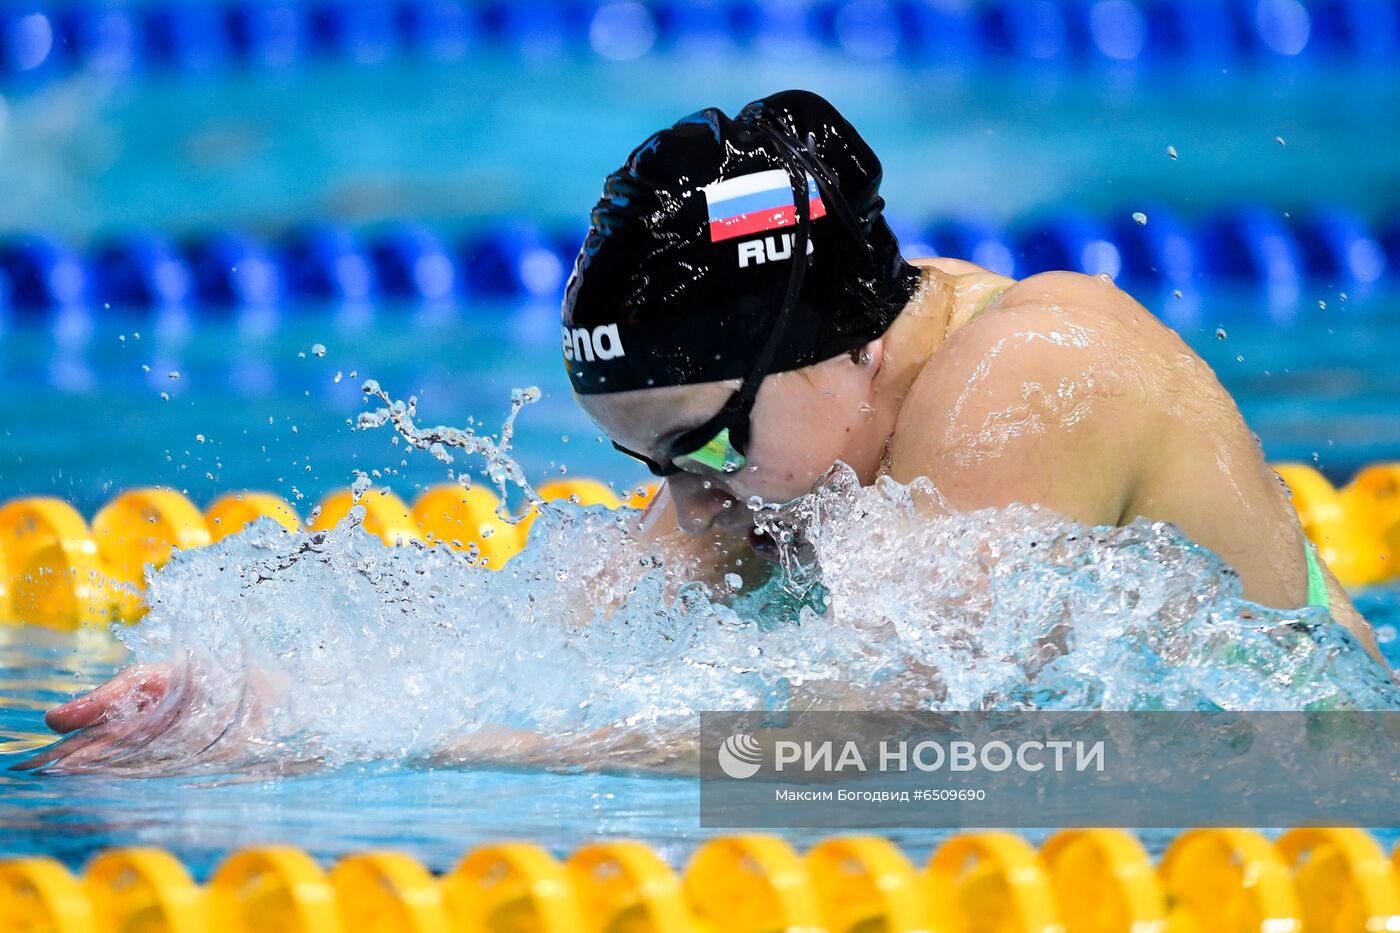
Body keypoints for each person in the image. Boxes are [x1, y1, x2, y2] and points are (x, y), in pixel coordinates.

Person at [30, 89, 1387, 762]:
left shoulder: (1027, 380)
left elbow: (851, 743)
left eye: (710, 444)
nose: (687, 497)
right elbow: (552, 656)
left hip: (1313, 803)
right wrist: (271, 706)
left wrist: (409, 754)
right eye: (646, 460)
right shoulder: (785, 448)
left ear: (838, 338)